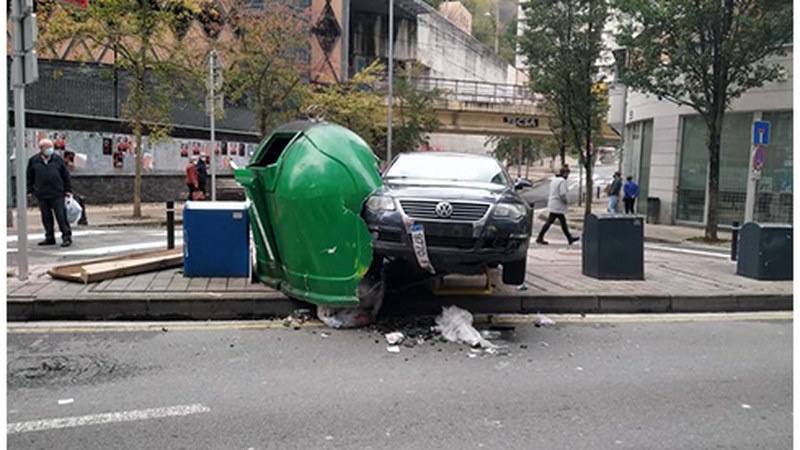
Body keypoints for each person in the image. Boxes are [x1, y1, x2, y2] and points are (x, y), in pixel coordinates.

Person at [26, 138, 73, 247]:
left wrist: (68, 190)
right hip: (42, 193)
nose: (49, 150)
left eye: (50, 147)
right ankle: (49, 236)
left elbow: (65, 176)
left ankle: (66, 237)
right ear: (41, 149)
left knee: (61, 216)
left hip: (57, 192)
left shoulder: (58, 159)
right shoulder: (34, 160)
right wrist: (29, 190)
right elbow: (29, 176)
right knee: (46, 216)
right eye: (47, 147)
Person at [536, 165, 580, 245]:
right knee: (555, 222)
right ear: (565, 173)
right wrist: (566, 201)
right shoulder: (562, 181)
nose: (568, 176)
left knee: (558, 222)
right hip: (558, 205)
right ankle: (540, 237)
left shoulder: (554, 180)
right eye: (567, 174)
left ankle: (569, 238)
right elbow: (562, 194)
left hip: (553, 203)